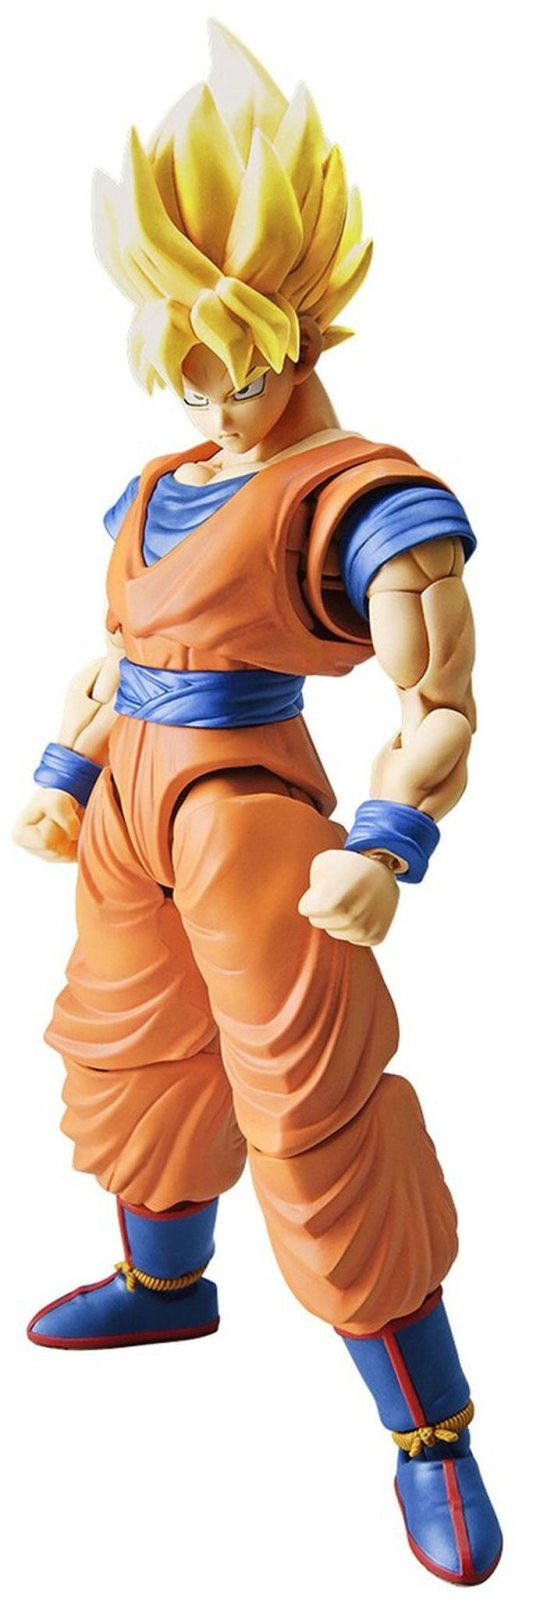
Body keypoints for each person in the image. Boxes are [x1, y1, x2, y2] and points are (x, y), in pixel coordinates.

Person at [13, 22, 502, 1586]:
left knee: (314, 1108)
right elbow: (119, 653)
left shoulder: (367, 497)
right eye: (180, 359)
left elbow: (437, 703)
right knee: (130, 1058)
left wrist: (388, 842)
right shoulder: (157, 485)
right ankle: (169, 1286)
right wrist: (64, 772)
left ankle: (429, 1434)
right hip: (130, 818)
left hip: (250, 819)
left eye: (222, 360)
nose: (204, 392)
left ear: (287, 331)